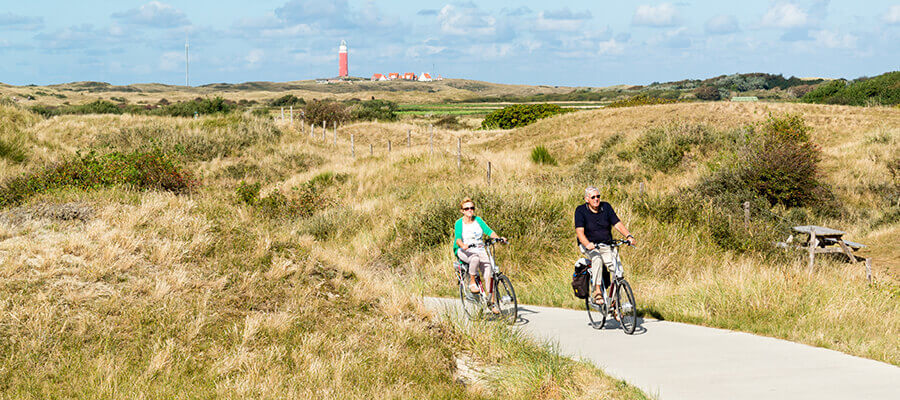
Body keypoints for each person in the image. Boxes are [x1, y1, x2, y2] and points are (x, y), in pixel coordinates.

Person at [574, 186, 635, 305]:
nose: (596, 199)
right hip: (590, 245)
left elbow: (617, 224)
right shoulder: (580, 211)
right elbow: (580, 233)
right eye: (593, 197)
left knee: (618, 271)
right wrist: (587, 244)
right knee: (597, 259)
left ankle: (616, 303)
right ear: (587, 199)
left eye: (598, 196)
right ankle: (597, 291)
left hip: (606, 244)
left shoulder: (606, 207)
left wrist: (629, 236)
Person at [454, 197, 505, 314]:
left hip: (480, 249)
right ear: (462, 211)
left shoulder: (478, 220)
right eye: (466, 208)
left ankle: (491, 302)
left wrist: (498, 238)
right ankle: (472, 282)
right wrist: (463, 245)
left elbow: (488, 231)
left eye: (472, 208)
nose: (470, 210)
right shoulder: (459, 223)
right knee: (474, 258)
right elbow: (457, 238)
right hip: (465, 250)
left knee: (489, 272)